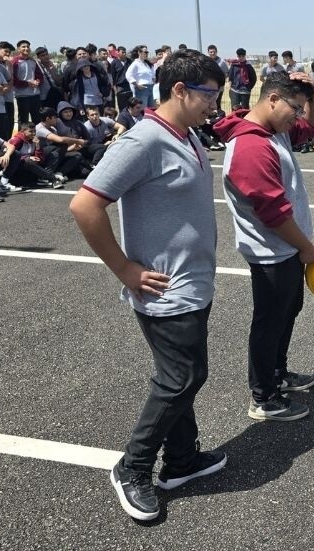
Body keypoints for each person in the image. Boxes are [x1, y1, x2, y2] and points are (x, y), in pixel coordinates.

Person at [69, 49, 228, 522]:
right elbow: (85, 205)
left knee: (182, 375)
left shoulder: (187, 134)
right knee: (181, 378)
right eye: (208, 95)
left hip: (192, 281)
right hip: (165, 288)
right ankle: (133, 467)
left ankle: (181, 460)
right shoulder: (143, 141)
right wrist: (124, 268)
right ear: (179, 90)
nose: (214, 104)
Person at [216, 71, 314, 421]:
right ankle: (263, 397)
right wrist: (306, 247)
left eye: (302, 108)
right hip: (271, 251)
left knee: (287, 312)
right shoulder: (252, 145)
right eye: (296, 108)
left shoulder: (275, 130)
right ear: (272, 99)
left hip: (285, 248)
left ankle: (278, 374)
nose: (299, 116)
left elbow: (312, 128)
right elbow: (273, 213)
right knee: (269, 322)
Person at [11, 40, 43, 125]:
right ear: (18, 49)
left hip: (35, 94)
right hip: (22, 95)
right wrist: (27, 83)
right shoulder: (15, 62)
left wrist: (37, 82)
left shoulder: (33, 61)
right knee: (23, 120)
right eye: (23, 47)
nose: (26, 48)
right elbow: (13, 79)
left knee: (37, 119)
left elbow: (39, 75)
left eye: (28, 47)